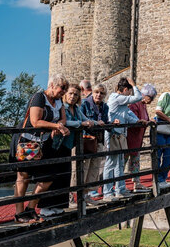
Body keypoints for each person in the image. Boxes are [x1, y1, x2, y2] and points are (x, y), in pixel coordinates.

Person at [10, 74, 70, 223]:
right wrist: (57, 126)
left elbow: (63, 119)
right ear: (52, 86)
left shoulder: (58, 101)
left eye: (65, 89)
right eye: (62, 88)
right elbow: (35, 121)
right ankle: (19, 214)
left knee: (48, 178)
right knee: (23, 177)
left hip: (43, 144)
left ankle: (30, 208)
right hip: (26, 142)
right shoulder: (39, 97)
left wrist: (60, 125)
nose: (64, 92)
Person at [51, 84, 98, 212]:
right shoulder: (62, 107)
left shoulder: (76, 109)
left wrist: (95, 122)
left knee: (69, 173)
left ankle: (67, 201)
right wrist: (80, 124)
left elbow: (85, 119)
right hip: (60, 144)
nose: (73, 96)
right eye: (71, 93)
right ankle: (67, 200)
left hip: (71, 144)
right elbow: (63, 122)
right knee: (66, 173)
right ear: (65, 94)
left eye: (76, 94)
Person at [103, 77, 143, 200]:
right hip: (113, 134)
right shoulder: (116, 97)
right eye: (129, 91)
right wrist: (134, 84)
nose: (130, 94)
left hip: (121, 135)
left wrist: (138, 121)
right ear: (125, 90)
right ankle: (108, 192)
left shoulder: (123, 103)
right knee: (110, 164)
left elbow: (128, 116)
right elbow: (138, 98)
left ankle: (120, 189)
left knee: (119, 164)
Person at [125, 83, 157, 192]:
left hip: (137, 139)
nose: (151, 101)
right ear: (144, 95)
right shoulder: (135, 104)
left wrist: (150, 121)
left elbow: (145, 119)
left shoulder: (143, 105)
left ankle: (136, 183)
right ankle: (117, 185)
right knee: (122, 162)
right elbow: (133, 119)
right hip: (130, 138)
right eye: (150, 98)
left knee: (135, 161)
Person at [80, 83, 108, 199]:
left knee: (95, 169)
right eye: (97, 92)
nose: (99, 95)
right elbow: (81, 119)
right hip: (86, 140)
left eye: (102, 93)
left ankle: (88, 193)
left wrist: (111, 123)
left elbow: (105, 121)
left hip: (98, 141)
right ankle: (77, 195)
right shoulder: (85, 103)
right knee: (84, 169)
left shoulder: (105, 107)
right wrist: (96, 123)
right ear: (93, 92)